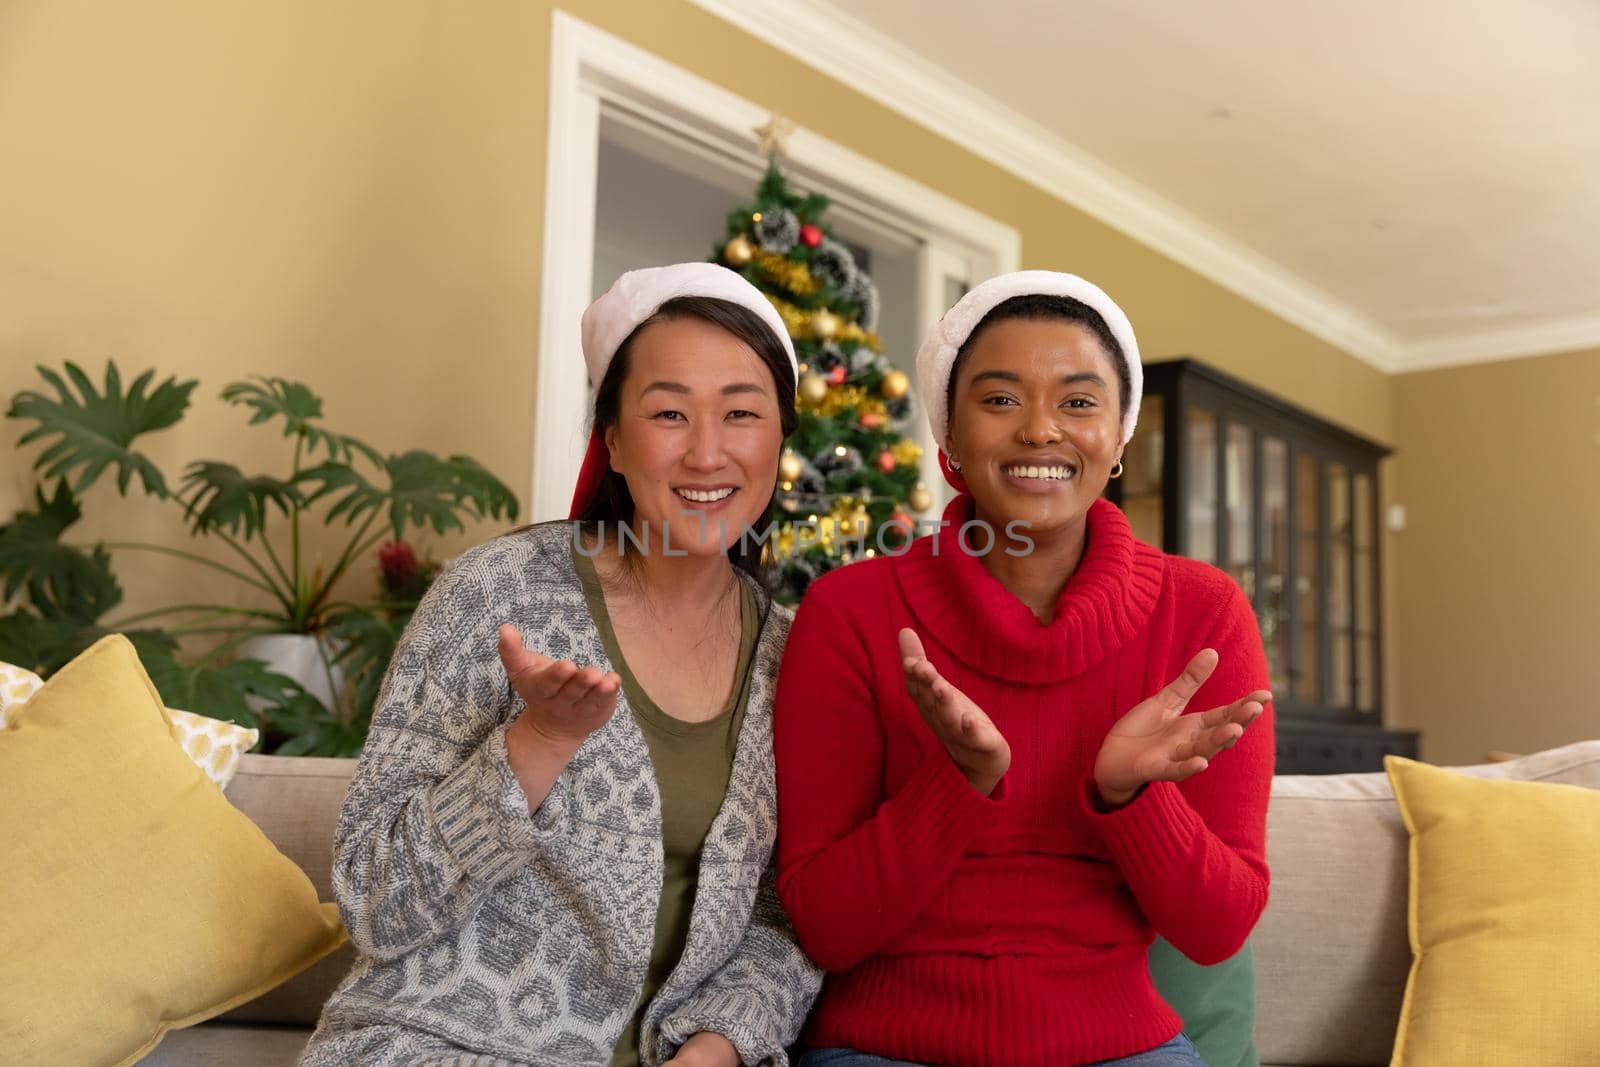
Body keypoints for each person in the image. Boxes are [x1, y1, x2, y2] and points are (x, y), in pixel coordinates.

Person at [301, 262, 822, 1067]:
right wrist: (535, 743)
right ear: (613, 440)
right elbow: (373, 897)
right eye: (670, 412)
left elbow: (786, 919)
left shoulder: (797, 656)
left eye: (742, 413)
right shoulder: (496, 593)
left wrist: (715, 1049)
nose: (708, 450)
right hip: (440, 1045)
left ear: (779, 440)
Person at [773, 271, 1274, 1067]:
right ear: (949, 442)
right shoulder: (852, 613)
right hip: (885, 1046)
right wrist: (956, 785)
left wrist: (1132, 796)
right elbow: (826, 925)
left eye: (1079, 401)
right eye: (1000, 399)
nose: (1041, 430)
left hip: (1122, 1046)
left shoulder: (1203, 614)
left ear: (1117, 438)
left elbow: (1218, 930)